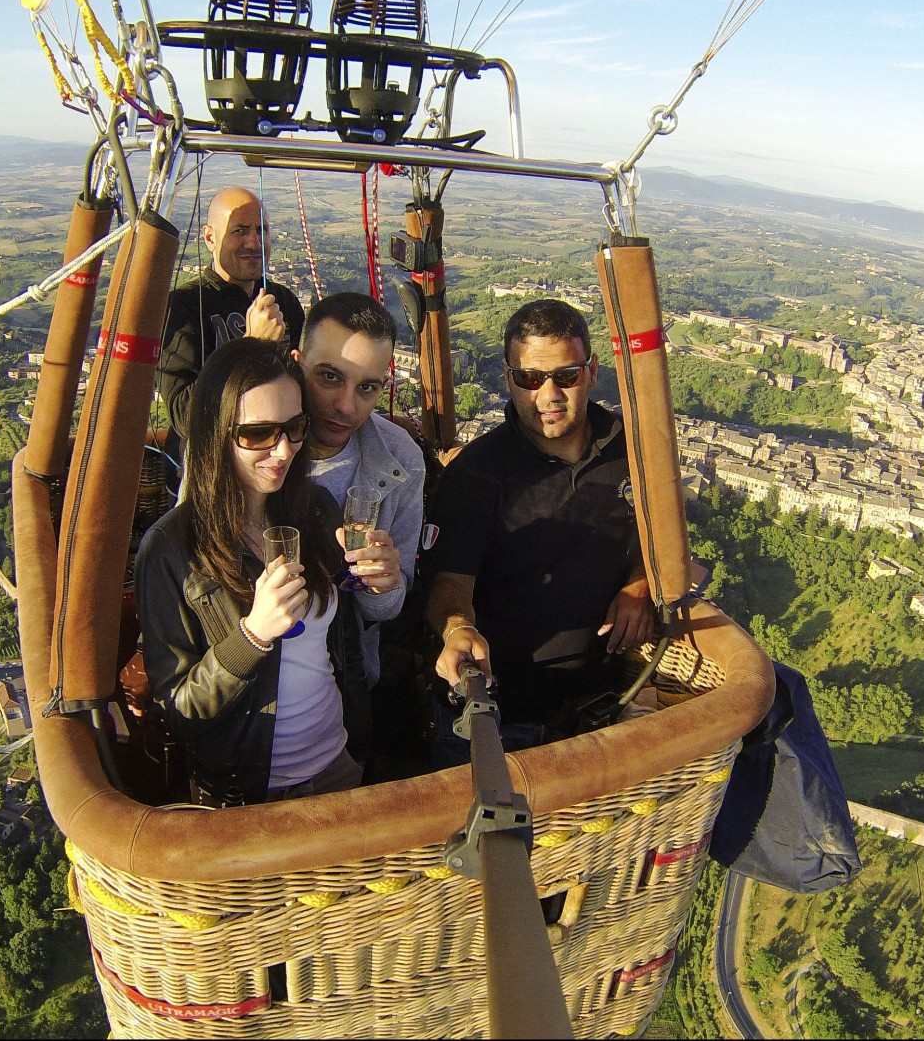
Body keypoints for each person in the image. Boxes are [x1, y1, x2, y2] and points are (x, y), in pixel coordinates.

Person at [134, 338, 369, 805]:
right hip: (251, 793)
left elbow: (340, 644)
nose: (283, 451)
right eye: (259, 433)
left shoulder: (314, 510)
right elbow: (180, 711)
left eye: (294, 427)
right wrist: (252, 637)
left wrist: (374, 581)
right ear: (216, 433)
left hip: (339, 763)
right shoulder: (170, 551)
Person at [421, 298, 655, 761]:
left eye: (565, 376)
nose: (548, 395)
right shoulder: (478, 474)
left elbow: (663, 537)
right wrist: (458, 628)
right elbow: (448, 583)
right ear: (508, 380)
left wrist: (640, 584)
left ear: (590, 373)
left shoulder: (634, 452)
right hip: (493, 713)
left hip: (596, 704)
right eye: (529, 379)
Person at [293, 292, 426, 690]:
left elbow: (389, 606)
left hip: (344, 678)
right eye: (329, 377)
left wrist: (383, 583)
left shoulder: (401, 460)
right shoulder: (240, 439)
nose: (346, 406)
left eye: (367, 387)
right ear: (297, 366)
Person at [158, 186, 305, 445]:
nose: (253, 242)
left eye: (262, 230)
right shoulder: (184, 307)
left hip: (275, 458)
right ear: (210, 238)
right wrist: (252, 346)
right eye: (240, 231)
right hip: (211, 471)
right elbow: (184, 416)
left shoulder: (283, 301)